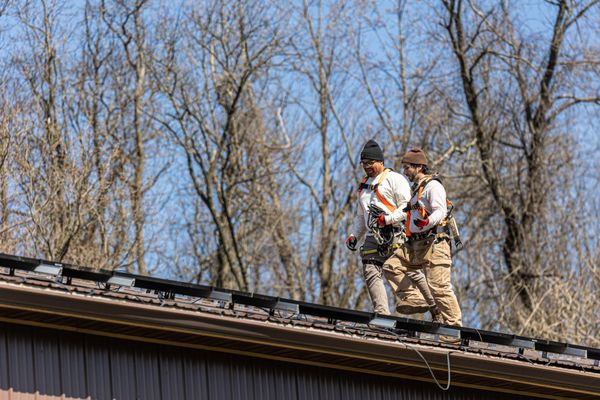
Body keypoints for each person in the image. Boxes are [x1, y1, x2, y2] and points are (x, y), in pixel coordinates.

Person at [384, 148, 462, 326]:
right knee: (392, 266)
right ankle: (414, 298)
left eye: (407, 168)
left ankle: (454, 329)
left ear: (419, 167)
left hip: (435, 243)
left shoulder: (433, 186)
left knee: (439, 287)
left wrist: (425, 222)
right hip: (415, 245)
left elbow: (440, 211)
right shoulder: (417, 189)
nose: (405, 172)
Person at [345, 139, 414, 315]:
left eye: (370, 163)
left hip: (395, 233)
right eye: (364, 163)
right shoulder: (363, 187)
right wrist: (354, 235)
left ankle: (421, 301)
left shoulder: (395, 179)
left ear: (381, 162)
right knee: (370, 268)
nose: (366, 166)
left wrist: (388, 220)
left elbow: (407, 209)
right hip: (373, 235)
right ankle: (382, 313)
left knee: (401, 269)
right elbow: (362, 216)